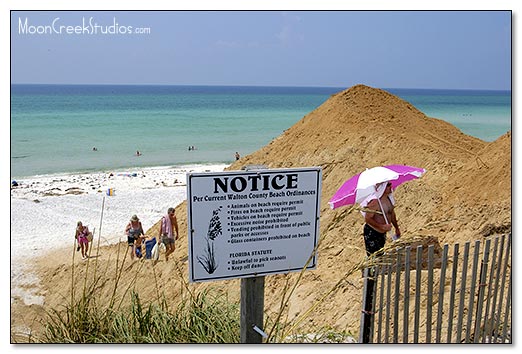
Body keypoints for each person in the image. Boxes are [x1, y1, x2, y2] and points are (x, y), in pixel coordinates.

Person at [362, 182, 400, 255]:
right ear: (383, 187)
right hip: (373, 232)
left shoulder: (389, 200)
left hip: (382, 232)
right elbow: (368, 219)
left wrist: (396, 228)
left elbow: (391, 214)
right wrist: (382, 226)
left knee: (381, 253)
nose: (390, 186)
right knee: (374, 256)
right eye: (388, 185)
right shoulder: (375, 202)